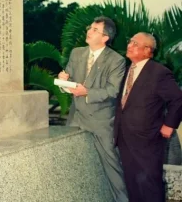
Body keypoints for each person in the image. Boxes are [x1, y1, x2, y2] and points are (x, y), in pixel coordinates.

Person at [58, 16, 128, 202]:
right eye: (90, 27)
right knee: (67, 161)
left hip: (101, 120)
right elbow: (69, 81)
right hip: (76, 117)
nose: (89, 31)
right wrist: (63, 81)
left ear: (105, 37)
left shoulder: (116, 60)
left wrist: (86, 91)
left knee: (111, 166)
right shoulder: (77, 53)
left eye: (95, 29)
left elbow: (113, 91)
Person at [114, 32, 182, 202]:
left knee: (149, 184)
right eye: (130, 41)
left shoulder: (159, 72)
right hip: (125, 136)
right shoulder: (127, 70)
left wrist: (169, 125)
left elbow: (177, 99)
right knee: (132, 183)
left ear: (147, 49)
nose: (130, 45)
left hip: (147, 139)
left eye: (135, 43)